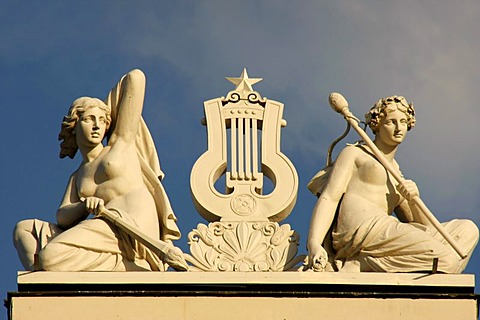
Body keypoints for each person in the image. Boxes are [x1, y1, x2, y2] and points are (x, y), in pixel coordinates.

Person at [13, 69, 181, 271]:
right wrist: (84, 206)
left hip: (133, 227)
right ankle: (46, 278)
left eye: (102, 121)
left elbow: (136, 78)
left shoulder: (121, 143)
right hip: (104, 227)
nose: (96, 126)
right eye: (89, 119)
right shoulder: (78, 176)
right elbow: (63, 217)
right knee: (24, 229)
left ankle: (131, 263)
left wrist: (103, 107)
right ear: (73, 125)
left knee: (49, 256)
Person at [307, 95, 478, 273]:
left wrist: (413, 199)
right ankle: (362, 263)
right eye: (391, 122)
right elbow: (330, 197)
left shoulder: (397, 173)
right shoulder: (355, 153)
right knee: (446, 260)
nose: (398, 129)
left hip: (387, 232)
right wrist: (314, 243)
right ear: (377, 125)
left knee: (467, 229)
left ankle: (368, 262)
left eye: (403, 122)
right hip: (363, 229)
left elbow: (423, 225)